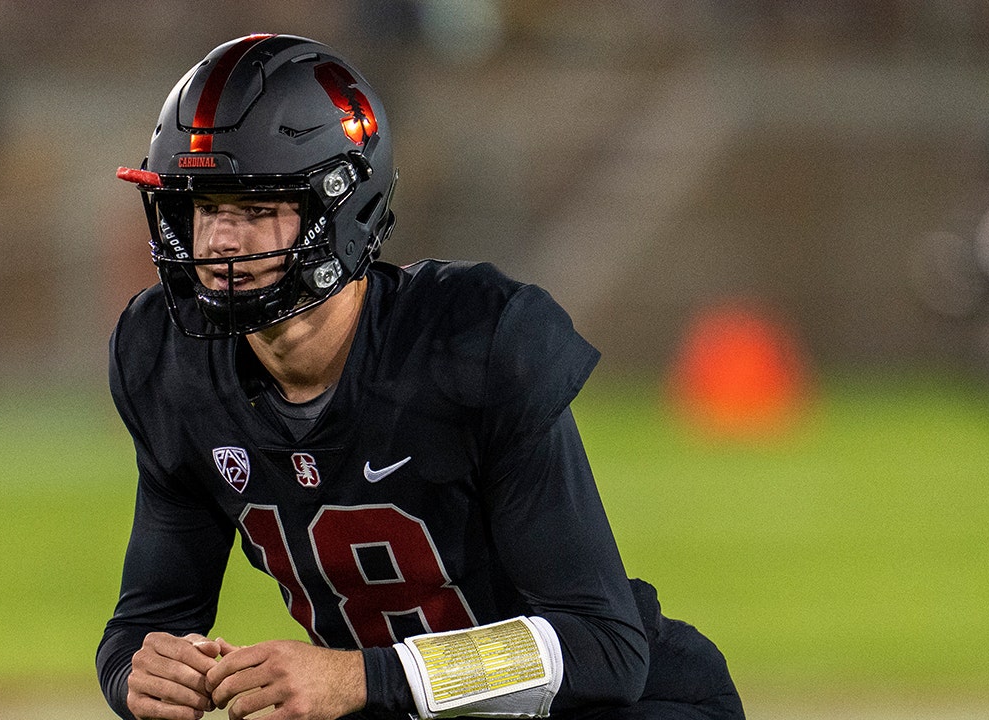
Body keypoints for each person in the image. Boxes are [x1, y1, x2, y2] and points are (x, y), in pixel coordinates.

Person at [97, 33, 743, 720]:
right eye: (205, 208)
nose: (221, 242)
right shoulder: (165, 359)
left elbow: (605, 648)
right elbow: (147, 621)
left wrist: (362, 680)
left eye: (256, 210)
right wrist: (141, 672)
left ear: (342, 208)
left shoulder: (472, 340)